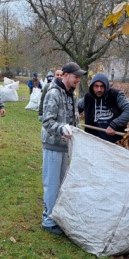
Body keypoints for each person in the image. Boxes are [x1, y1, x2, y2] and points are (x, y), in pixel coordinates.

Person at [40, 62, 85, 235]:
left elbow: (75, 120)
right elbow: (47, 121)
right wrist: (61, 129)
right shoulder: (53, 93)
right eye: (76, 76)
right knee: (51, 184)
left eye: (79, 77)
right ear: (65, 75)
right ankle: (48, 220)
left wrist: (79, 133)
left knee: (61, 184)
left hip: (65, 146)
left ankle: (56, 216)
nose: (78, 80)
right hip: (52, 145)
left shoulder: (72, 95)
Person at [77, 73, 129, 143]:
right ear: (92, 86)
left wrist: (114, 125)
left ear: (106, 86)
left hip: (114, 143)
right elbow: (75, 109)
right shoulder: (88, 97)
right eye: (96, 86)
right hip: (93, 142)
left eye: (102, 86)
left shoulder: (116, 95)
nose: (99, 89)